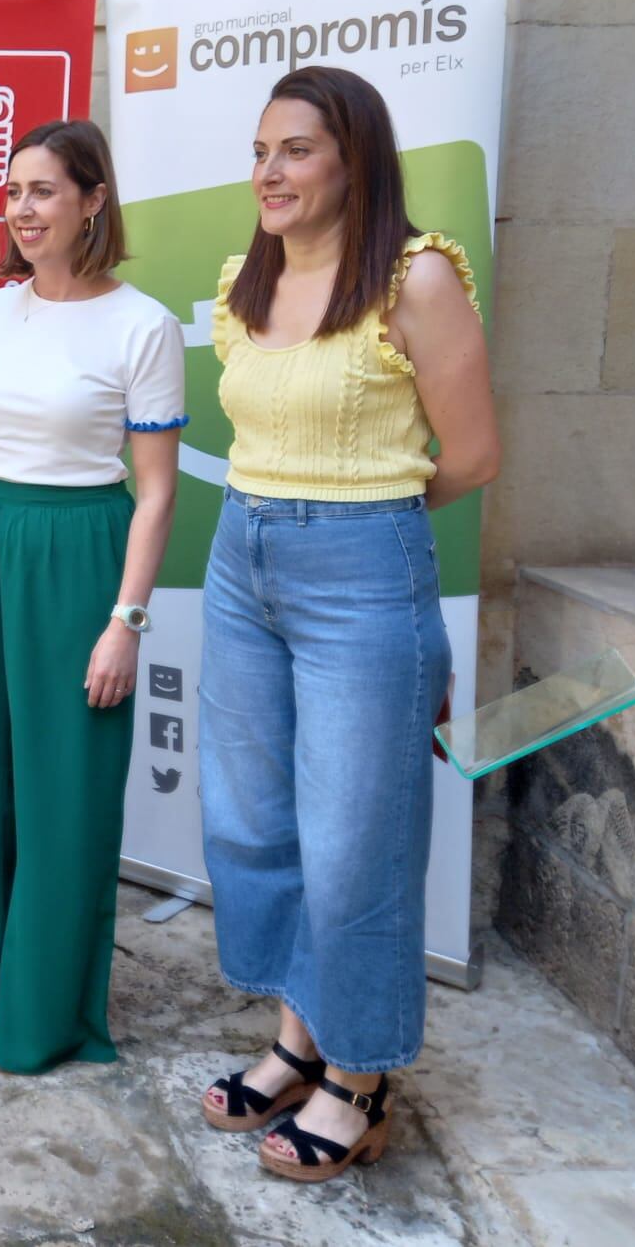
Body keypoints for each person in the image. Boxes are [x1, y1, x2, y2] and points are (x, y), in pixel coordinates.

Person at [194, 66, 498, 1181]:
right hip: (240, 558)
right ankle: (298, 1038)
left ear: (353, 159)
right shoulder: (247, 280)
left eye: (296, 150)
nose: (268, 172)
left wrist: (366, 525)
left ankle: (360, 1079)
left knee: (355, 839)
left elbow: (472, 454)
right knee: (252, 820)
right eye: (260, 151)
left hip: (362, 568)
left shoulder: (416, 278)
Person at [0, 118, 185, 1073]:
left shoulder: (144, 325)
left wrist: (126, 622)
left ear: (93, 200)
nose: (22, 211)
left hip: (79, 562)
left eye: (43, 191)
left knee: (66, 792)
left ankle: (41, 1014)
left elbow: (157, 492)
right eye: (12, 191)